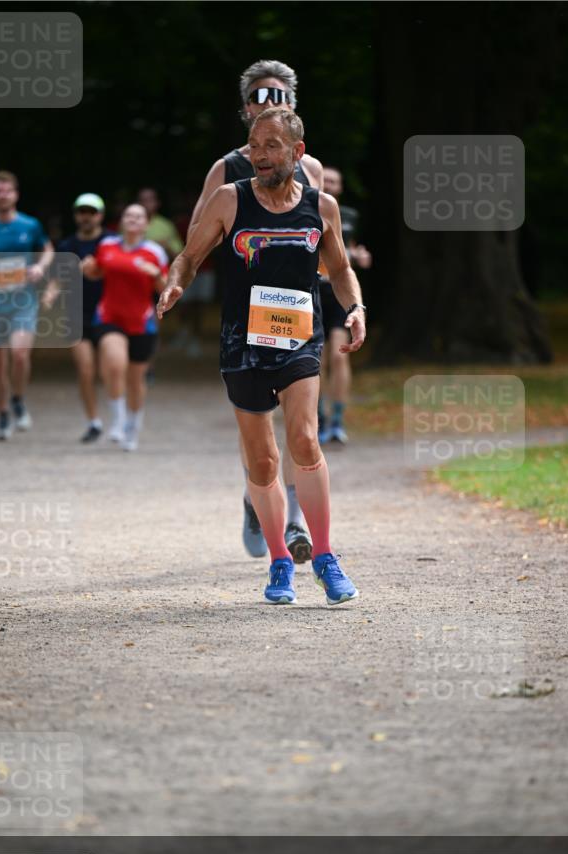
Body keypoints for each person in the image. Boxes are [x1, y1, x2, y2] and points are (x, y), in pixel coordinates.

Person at [158, 109, 366, 607]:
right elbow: (189, 255)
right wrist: (174, 283)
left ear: (298, 152)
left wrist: (355, 307)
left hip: (300, 337)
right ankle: (278, 562)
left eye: (272, 145)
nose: (260, 155)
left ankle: (324, 557)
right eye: (253, 145)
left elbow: (338, 269)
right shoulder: (232, 199)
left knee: (303, 438)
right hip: (242, 343)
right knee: (263, 458)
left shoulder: (323, 207)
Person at [188, 59, 323, 565]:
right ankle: (256, 496)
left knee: (300, 424)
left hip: (297, 312)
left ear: (292, 104)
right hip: (247, 315)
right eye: (260, 97)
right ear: (246, 108)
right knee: (259, 428)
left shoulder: (309, 168)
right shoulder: (226, 170)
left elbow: (324, 237)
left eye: (279, 96)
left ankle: (293, 521)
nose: (270, 104)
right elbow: (196, 242)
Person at [0, 171, 54, 440]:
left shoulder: (30, 225)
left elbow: (48, 248)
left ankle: (18, 398)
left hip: (23, 300)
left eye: (8, 190)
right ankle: (3, 414)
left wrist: (39, 266)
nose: (3, 195)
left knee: (19, 354)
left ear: (16, 194)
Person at [82, 204, 168, 451]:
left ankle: (133, 423)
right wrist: (88, 269)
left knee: (135, 379)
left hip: (141, 322)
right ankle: (118, 420)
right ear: (121, 221)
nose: (133, 220)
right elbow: (96, 273)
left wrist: (156, 275)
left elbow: (165, 290)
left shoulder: (154, 252)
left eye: (138, 217)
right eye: (128, 215)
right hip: (109, 317)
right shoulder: (107, 245)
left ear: (146, 224)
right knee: (114, 364)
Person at [45, 193, 108, 443]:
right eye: (82, 211)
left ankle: (119, 414)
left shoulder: (111, 242)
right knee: (85, 370)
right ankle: (93, 421)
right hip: (76, 314)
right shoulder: (66, 246)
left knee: (108, 370)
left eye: (91, 212)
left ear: (100, 216)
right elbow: (57, 278)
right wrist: (50, 296)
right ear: (75, 215)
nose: (86, 216)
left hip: (107, 312)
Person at [317, 166, 372, 445]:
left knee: (339, 356)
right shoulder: (306, 209)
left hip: (338, 295)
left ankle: (337, 418)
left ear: (340, 187)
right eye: (324, 179)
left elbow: (347, 248)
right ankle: (320, 418)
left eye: (334, 181)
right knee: (320, 360)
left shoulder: (348, 215)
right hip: (314, 292)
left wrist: (360, 256)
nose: (328, 184)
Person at [137, 187, 184, 259]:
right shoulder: (129, 223)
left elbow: (179, 257)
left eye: (150, 200)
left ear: (157, 203)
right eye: (143, 200)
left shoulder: (166, 225)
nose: (145, 203)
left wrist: (166, 247)